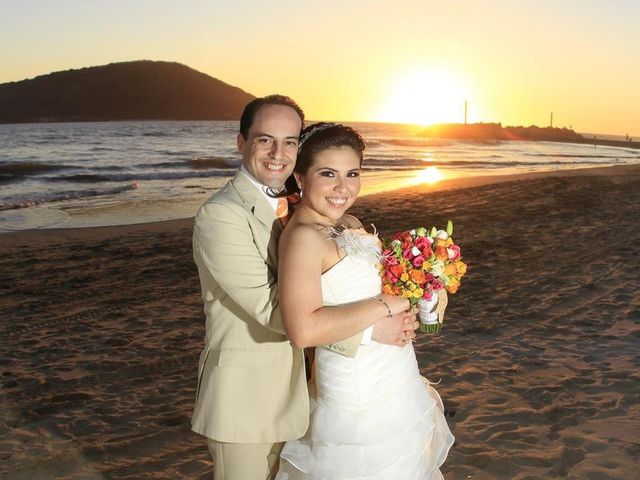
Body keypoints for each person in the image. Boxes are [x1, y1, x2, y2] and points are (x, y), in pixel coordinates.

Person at [191, 95, 418, 480]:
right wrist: (369, 326)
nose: (278, 152)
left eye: (290, 142)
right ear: (241, 142)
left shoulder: (304, 212)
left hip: (312, 392)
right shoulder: (222, 215)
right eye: (265, 140)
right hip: (249, 399)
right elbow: (274, 311)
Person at [275, 123, 455, 479]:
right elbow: (303, 330)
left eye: (352, 173)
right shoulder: (302, 239)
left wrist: (424, 289)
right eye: (328, 174)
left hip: (395, 377)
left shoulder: (351, 222)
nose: (343, 188)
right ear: (299, 176)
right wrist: (385, 311)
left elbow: (375, 289)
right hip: (356, 390)